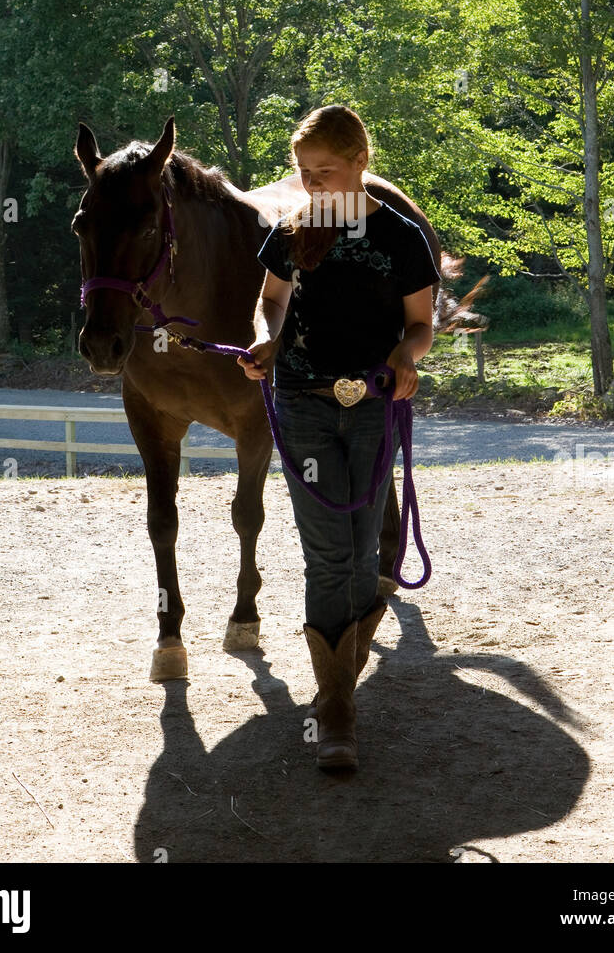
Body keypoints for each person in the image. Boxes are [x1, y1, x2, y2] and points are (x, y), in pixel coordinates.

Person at [238, 104, 439, 772]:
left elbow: (420, 325)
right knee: (331, 556)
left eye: (325, 171)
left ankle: (335, 690)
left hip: (376, 406)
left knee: (360, 556)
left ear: (360, 163)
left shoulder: (404, 237)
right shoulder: (291, 231)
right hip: (303, 406)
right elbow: (270, 300)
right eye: (303, 173)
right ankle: (337, 712)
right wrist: (266, 338)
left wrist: (407, 357)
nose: (313, 184)